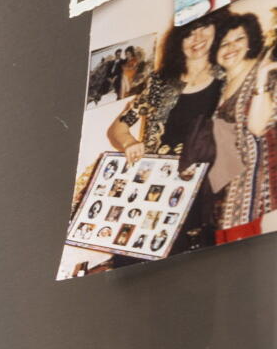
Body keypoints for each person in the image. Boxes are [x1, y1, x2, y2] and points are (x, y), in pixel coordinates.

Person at [115, 12, 237, 249]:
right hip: (159, 185)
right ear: (178, 40)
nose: (197, 38)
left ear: (217, 30)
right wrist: (129, 142)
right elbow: (119, 127)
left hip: (208, 189)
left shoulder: (228, 78)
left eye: (204, 27)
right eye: (188, 33)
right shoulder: (161, 82)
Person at [215, 14, 277, 240]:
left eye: (239, 39)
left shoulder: (265, 73)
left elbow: (258, 127)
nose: (230, 47)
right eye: (224, 43)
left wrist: (261, 78)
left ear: (251, 42)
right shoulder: (221, 84)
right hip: (222, 190)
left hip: (252, 189)